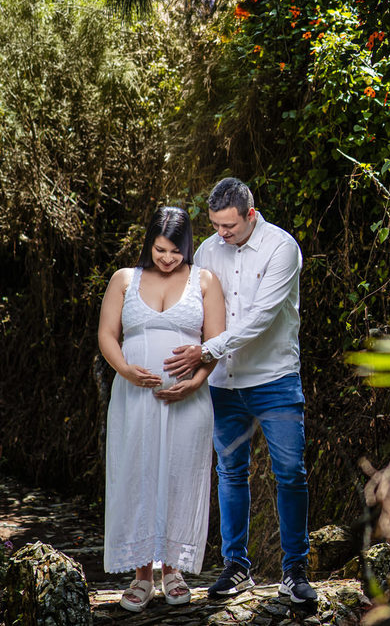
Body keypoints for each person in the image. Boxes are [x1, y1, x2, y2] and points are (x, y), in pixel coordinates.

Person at [163, 177, 318, 606]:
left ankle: (294, 571)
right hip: (224, 384)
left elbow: (259, 320)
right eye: (214, 224)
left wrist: (203, 351)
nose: (220, 233)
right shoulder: (210, 249)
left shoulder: (281, 248)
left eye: (228, 225)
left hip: (275, 380)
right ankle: (236, 568)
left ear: (250, 214)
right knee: (230, 473)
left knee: (290, 473)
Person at [97, 206, 226, 613]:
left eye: (175, 251)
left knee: (179, 474)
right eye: (159, 249)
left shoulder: (204, 281)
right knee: (135, 471)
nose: (167, 258)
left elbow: (216, 342)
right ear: (149, 243)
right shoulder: (124, 279)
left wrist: (196, 381)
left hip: (188, 401)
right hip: (134, 397)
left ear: (187, 246)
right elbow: (106, 334)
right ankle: (141, 575)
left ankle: (174, 569)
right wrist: (126, 370)